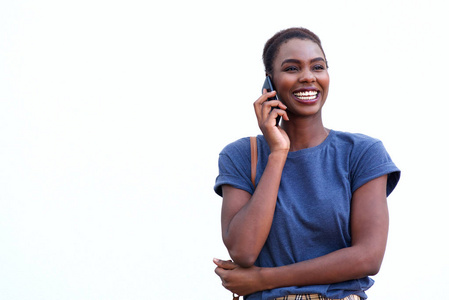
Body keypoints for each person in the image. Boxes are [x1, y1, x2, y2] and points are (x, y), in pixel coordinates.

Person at [212, 27, 400, 300]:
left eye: (318, 67)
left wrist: (263, 279)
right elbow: (243, 250)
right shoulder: (241, 155)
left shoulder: (362, 153)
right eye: (291, 68)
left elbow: (368, 257)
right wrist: (278, 152)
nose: (308, 77)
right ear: (269, 82)